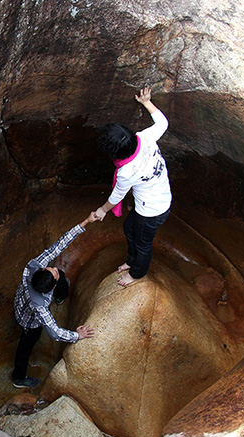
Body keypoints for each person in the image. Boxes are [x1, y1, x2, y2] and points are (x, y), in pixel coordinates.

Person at [94, 87, 172, 287]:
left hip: (152, 210)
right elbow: (163, 123)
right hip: (158, 199)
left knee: (143, 243)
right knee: (129, 228)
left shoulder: (126, 172)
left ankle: (137, 273)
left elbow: (116, 196)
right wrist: (147, 102)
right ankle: (131, 260)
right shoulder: (144, 138)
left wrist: (102, 211)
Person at [11, 212, 98, 388]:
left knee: (63, 278)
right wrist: (77, 336)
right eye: (53, 271)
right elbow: (54, 332)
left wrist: (85, 222)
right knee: (25, 348)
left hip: (20, 303)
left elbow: (57, 247)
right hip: (28, 323)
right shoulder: (40, 306)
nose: (53, 268)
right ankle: (18, 377)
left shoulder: (32, 267)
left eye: (50, 269)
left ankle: (60, 295)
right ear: (48, 290)